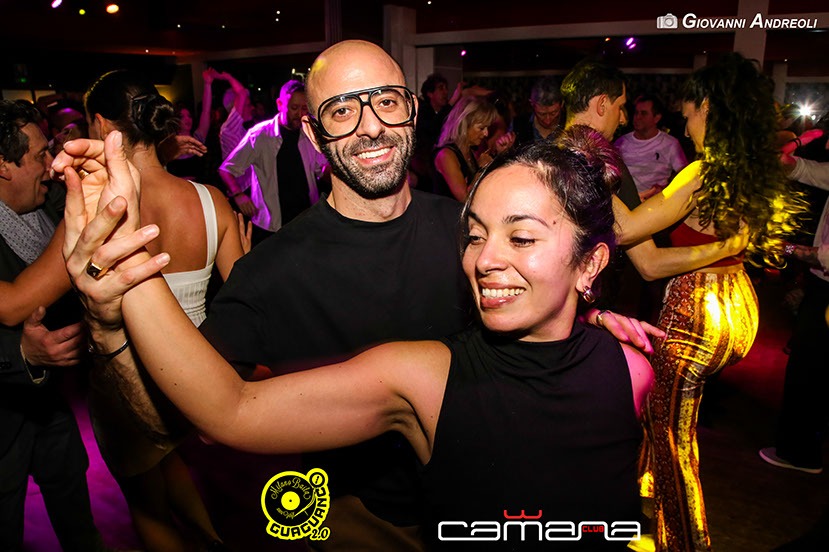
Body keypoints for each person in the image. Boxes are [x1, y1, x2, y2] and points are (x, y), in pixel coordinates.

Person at [55, 40, 662, 552]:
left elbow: (534, 290)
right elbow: (193, 415)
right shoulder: (273, 271)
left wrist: (584, 318)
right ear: (314, 134)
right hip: (356, 526)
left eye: (387, 101)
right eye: (343, 110)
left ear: (411, 113)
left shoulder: (470, 232)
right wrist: (109, 320)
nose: (371, 125)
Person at [611, 53, 808, 551]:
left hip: (696, 310)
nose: (685, 119)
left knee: (672, 434)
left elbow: (626, 231)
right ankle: (642, 510)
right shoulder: (750, 170)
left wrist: (598, 170)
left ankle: (684, 541)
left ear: (710, 108)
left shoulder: (702, 172)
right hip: (737, 305)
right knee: (659, 412)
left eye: (690, 109)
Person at [80, 69, 247, 551]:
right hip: (194, 376)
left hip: (128, 377)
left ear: (101, 124)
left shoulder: (102, 209)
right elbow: (245, 300)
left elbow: (37, 292)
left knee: (146, 507)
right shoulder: (211, 200)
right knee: (168, 460)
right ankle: (213, 542)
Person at [0, 99, 106, 551]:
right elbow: (14, 304)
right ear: (3, 165)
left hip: (47, 402)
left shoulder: (37, 204)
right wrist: (20, 353)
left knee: (76, 513)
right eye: (40, 154)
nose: (51, 164)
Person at [759, 132, 829, 475]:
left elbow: (825, 256)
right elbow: (785, 164)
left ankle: (801, 454)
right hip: (821, 284)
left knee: (810, 370)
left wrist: (787, 249)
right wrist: (803, 139)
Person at [219, 79, 327, 245]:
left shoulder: (309, 132)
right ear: (280, 104)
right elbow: (226, 169)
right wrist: (238, 194)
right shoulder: (260, 135)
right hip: (270, 228)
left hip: (305, 223)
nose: (300, 114)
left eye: (304, 108)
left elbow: (322, 169)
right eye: (294, 108)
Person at [433, 96, 514, 201]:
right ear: (464, 125)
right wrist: (482, 169)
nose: (486, 133)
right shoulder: (446, 155)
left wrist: (501, 154)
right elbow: (465, 199)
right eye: (481, 128)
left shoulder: (471, 151)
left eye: (487, 128)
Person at [614, 94, 688, 201]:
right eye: (636, 113)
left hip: (657, 202)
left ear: (656, 118)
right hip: (627, 202)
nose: (638, 117)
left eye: (643, 113)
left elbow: (684, 175)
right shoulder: (621, 143)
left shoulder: (670, 144)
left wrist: (665, 189)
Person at [513, 76, 563, 145]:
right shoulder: (518, 125)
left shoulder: (571, 125)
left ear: (562, 104)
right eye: (542, 114)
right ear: (532, 104)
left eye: (553, 113)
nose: (548, 121)